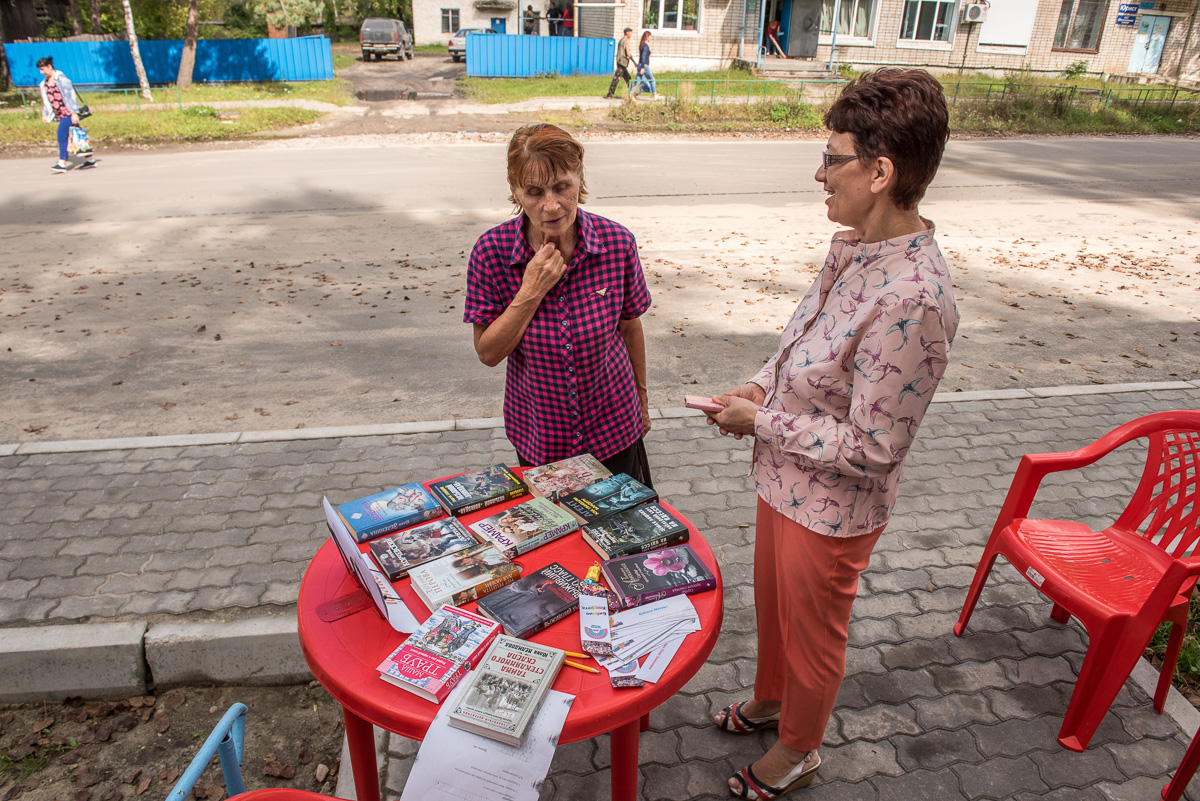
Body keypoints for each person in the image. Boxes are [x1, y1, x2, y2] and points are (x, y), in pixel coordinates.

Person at [702, 68, 957, 799]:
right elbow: (798, 336)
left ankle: (799, 750)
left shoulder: (915, 297)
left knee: (815, 637)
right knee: (778, 613)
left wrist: (764, 420)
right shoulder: (851, 246)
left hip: (833, 506)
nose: (819, 173)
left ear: (881, 171)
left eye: (833, 156)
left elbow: (876, 450)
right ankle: (771, 703)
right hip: (782, 479)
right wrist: (758, 384)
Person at [464, 123, 654, 486]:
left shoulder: (616, 244)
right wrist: (530, 291)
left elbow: (630, 326)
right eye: (534, 192)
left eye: (561, 187)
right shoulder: (491, 252)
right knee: (559, 536)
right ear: (514, 190)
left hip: (614, 426)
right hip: (541, 434)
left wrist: (642, 401)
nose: (551, 205)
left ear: (579, 179)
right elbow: (488, 353)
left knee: (621, 535)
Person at [37, 56, 95, 174]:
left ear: (49, 66)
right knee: (78, 137)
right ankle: (90, 160)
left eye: (43, 69)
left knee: (61, 135)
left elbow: (70, 97)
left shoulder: (62, 80)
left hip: (68, 113)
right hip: (59, 114)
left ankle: (62, 163)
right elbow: (46, 100)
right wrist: (45, 114)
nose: (41, 72)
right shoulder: (44, 83)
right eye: (40, 70)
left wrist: (74, 113)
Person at [604, 27, 636, 99]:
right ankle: (610, 94)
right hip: (622, 62)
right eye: (630, 32)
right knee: (617, 78)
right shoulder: (626, 41)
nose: (631, 34)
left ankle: (632, 93)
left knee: (628, 78)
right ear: (627, 32)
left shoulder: (621, 40)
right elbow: (628, 53)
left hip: (619, 61)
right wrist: (634, 62)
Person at [632, 31, 655, 99]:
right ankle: (654, 95)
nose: (651, 38)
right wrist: (643, 67)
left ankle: (631, 94)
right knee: (652, 80)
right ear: (647, 37)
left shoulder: (642, 45)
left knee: (637, 81)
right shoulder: (645, 46)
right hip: (644, 65)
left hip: (640, 65)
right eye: (650, 36)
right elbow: (643, 57)